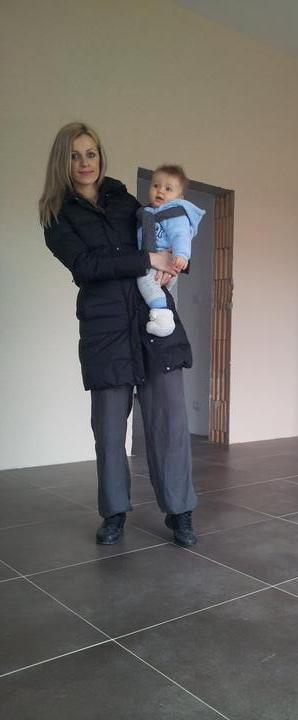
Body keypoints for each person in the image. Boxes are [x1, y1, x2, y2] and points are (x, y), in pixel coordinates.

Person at [40, 122, 198, 547]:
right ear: (62, 162)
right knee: (109, 429)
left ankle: (180, 511)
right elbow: (86, 267)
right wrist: (146, 259)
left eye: (90, 153)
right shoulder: (56, 215)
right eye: (75, 155)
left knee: (169, 421)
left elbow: (162, 231)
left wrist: (175, 261)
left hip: (152, 320)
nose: (85, 163)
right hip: (105, 328)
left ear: (100, 155)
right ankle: (113, 513)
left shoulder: (124, 199)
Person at [137, 164, 205, 337]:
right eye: (156, 185)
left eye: (168, 189)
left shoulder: (173, 213)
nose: (160, 191)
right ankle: (166, 306)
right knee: (160, 290)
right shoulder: (147, 213)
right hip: (157, 262)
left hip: (165, 262)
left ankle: (163, 320)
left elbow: (181, 235)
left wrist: (182, 255)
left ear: (179, 197)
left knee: (145, 282)